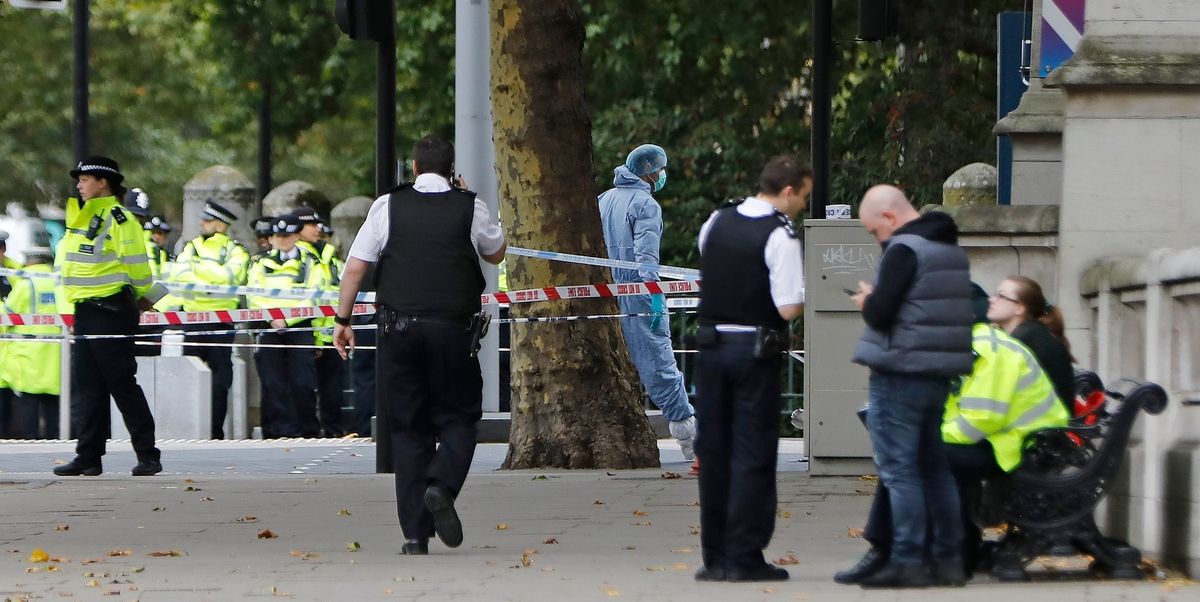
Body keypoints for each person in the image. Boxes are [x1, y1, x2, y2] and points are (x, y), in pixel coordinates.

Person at [332, 135, 506, 555]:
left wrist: (343, 319)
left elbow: (356, 268)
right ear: (451, 169)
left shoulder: (387, 206)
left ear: (412, 168)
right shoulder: (470, 206)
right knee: (460, 418)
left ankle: (414, 536)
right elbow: (496, 252)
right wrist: (464, 197)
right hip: (453, 331)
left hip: (399, 331)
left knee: (408, 429)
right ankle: (442, 485)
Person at [840, 284, 1071, 585]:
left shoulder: (989, 350)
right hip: (1002, 441)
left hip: (1020, 446)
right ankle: (933, 553)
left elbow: (980, 420)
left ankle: (893, 551)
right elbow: (950, 410)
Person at [848, 188, 975, 587]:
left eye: (874, 232)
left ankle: (907, 560)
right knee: (935, 469)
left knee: (899, 471)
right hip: (938, 374)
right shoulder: (950, 250)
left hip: (899, 372)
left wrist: (868, 299)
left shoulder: (904, 249)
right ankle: (948, 559)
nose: (878, 240)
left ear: (889, 216)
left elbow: (884, 313)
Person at [692, 156, 810, 582]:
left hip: (710, 349)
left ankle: (716, 556)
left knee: (714, 451)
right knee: (753, 452)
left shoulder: (717, 222)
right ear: (789, 190)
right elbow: (787, 306)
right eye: (804, 196)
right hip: (755, 352)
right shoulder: (779, 233)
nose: (801, 205)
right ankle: (744, 554)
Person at [54, 156, 164, 477]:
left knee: (121, 384)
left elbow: (137, 266)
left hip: (112, 310)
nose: (79, 185)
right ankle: (89, 456)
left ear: (103, 182)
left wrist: (146, 297)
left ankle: (148, 454)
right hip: (85, 310)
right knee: (89, 387)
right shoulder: (80, 217)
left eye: (85, 179)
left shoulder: (119, 218)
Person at [597, 143, 697, 461]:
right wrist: (655, 296)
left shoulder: (604, 199)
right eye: (661, 169)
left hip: (604, 296)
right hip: (637, 295)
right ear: (651, 171)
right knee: (660, 366)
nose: (662, 175)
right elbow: (646, 259)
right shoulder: (645, 203)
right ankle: (690, 442)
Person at [171, 201, 251, 439]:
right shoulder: (190, 246)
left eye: (206, 221)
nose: (200, 224)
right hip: (192, 320)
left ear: (219, 225)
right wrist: (209, 275)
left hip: (221, 322)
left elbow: (230, 277)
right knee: (190, 377)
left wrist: (197, 270)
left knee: (219, 383)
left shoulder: (235, 250)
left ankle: (214, 432)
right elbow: (178, 274)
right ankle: (190, 431)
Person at [247, 213, 326, 438]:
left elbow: (315, 297)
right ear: (271, 238)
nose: (282, 240)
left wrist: (287, 319)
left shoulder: (310, 263)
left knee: (303, 382)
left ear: (295, 237)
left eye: (287, 235)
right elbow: (254, 295)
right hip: (270, 328)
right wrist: (273, 317)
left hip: (299, 328)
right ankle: (276, 431)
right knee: (272, 382)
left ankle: (307, 430)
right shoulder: (260, 263)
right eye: (278, 236)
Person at [1, 246, 65, 439]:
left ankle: (31, 440)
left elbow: (9, 315)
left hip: (28, 352)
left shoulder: (25, 283)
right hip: (55, 350)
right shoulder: (57, 282)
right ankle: (53, 440)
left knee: (29, 401)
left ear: (30, 260)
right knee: (52, 401)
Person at [987, 276, 1076, 411]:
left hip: (1045, 428)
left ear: (1019, 308)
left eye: (1001, 296)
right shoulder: (1030, 332)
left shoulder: (1026, 337)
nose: (991, 300)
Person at [295, 207, 346, 437]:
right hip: (309, 332)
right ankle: (308, 432)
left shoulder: (328, 256)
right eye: (311, 225)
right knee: (303, 387)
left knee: (333, 389)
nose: (317, 228)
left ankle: (333, 430)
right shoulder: (299, 255)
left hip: (332, 332)